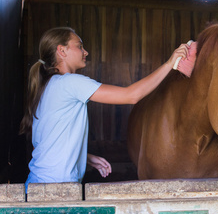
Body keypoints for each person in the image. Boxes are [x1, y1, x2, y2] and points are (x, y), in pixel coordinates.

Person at [20, 27, 189, 190]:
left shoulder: (48, 87)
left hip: (37, 186)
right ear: (62, 51)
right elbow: (131, 95)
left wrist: (83, 157)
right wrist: (170, 63)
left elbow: (42, 145)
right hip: (56, 190)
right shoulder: (70, 83)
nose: (85, 52)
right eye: (79, 46)